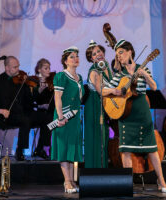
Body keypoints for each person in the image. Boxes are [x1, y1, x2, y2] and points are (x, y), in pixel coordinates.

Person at [102, 39, 166, 193]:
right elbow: (103, 91)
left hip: (142, 112)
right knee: (125, 150)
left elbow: (153, 87)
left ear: (130, 52)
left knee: (151, 149)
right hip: (125, 115)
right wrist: (115, 91)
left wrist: (145, 75)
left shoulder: (142, 68)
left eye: (121, 53)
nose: (119, 56)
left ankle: (161, 180)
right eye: (117, 54)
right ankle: (128, 183)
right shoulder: (119, 75)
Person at [0, 56, 51, 161]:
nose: (18, 69)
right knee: (25, 120)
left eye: (18, 66)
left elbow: (30, 99)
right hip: (6, 116)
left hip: (23, 113)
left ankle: (40, 148)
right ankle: (20, 151)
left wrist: (39, 91)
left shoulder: (21, 81)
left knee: (47, 118)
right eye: (15, 67)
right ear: (7, 68)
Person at [51, 46, 85, 193]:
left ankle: (71, 180)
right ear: (65, 61)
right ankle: (67, 182)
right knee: (64, 149)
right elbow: (57, 97)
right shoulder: (61, 76)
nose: (75, 58)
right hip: (63, 116)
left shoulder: (80, 78)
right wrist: (60, 117)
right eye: (72, 56)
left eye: (77, 56)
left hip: (75, 117)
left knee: (72, 149)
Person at [84, 40, 113, 168]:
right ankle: (94, 171)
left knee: (104, 137)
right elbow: (100, 90)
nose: (98, 54)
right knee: (96, 139)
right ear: (91, 59)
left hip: (104, 105)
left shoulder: (106, 66)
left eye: (99, 51)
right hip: (94, 105)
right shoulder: (94, 70)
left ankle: (103, 171)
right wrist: (115, 91)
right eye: (94, 54)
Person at [32, 58, 55, 158]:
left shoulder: (50, 82)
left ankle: (40, 148)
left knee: (49, 119)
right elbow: (31, 100)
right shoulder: (33, 82)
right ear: (39, 70)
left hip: (49, 112)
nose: (49, 71)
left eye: (49, 68)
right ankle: (45, 147)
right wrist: (40, 90)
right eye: (46, 68)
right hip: (36, 111)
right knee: (48, 120)